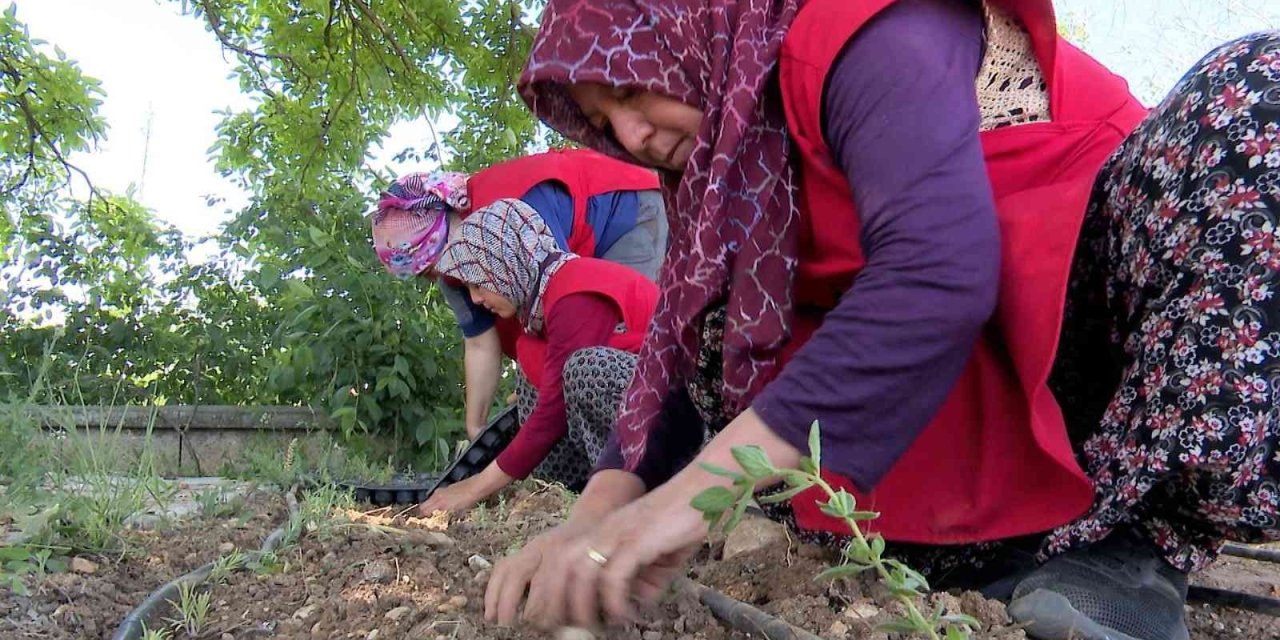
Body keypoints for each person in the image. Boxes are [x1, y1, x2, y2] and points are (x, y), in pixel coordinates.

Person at [480, 1, 1280, 639]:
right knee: (710, 321)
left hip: (1092, 356)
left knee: (1256, 90)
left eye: (627, 89)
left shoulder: (865, 27)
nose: (629, 135)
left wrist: (692, 497)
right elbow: (676, 357)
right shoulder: (717, 167)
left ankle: (1138, 546)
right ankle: (978, 547)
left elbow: (939, 272)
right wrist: (591, 521)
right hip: (932, 428)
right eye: (600, 118)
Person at [372, 148, 667, 441]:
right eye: (424, 274)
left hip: (625, 209)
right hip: (582, 254)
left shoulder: (514, 210)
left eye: (430, 265)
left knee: (618, 344)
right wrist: (477, 429)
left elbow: (564, 301)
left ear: (445, 234)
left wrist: (542, 385)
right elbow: (479, 344)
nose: (436, 276)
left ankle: (653, 452)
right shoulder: (454, 272)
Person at [411, 198, 659, 514]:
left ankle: (630, 493)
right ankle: (562, 489)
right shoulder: (541, 306)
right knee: (530, 365)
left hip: (682, 412)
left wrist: (475, 486)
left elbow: (553, 413)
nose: (475, 299)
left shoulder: (575, 291)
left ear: (506, 264)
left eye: (478, 284)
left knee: (585, 370)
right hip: (644, 402)